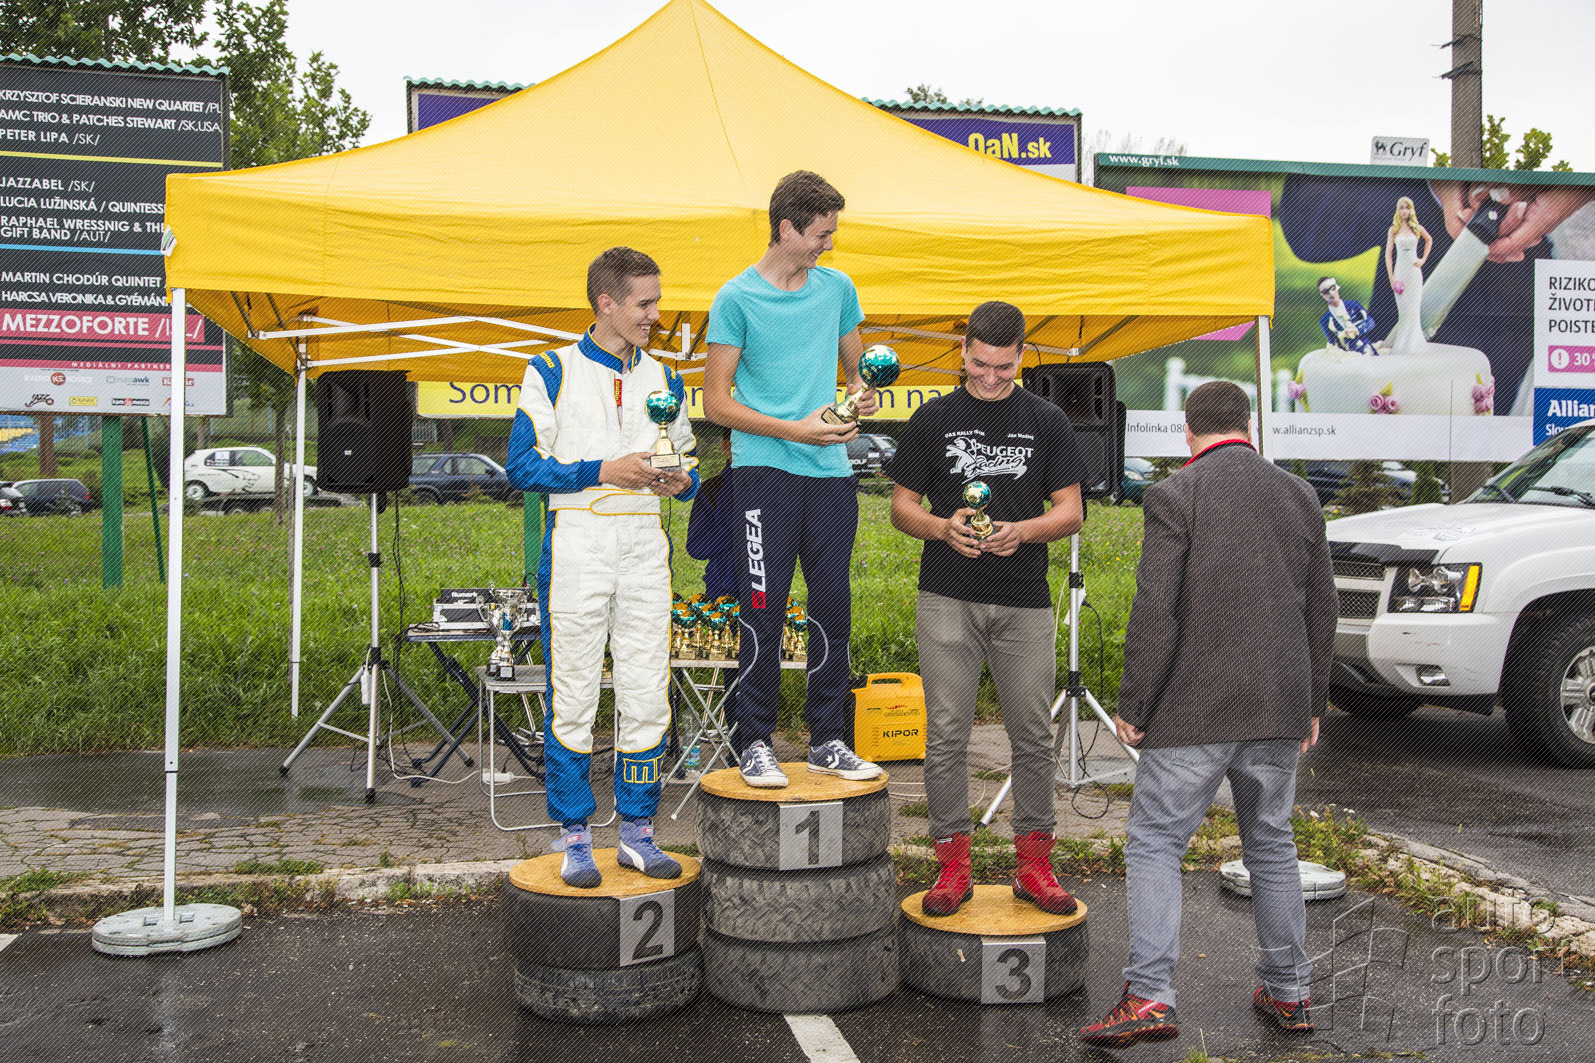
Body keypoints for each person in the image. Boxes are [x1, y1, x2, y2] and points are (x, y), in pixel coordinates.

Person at [1080, 381, 1335, 1049]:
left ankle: (1148, 995)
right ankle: (1289, 992)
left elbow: (1155, 609)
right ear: (1247, 426)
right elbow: (1322, 607)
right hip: (1278, 704)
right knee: (1271, 844)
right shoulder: (1299, 494)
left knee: (1156, 841)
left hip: (1195, 706)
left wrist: (1135, 704)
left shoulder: (1175, 494)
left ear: (1187, 432)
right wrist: (1311, 702)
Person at [505, 247, 699, 888]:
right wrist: (603, 470)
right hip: (578, 543)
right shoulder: (550, 370)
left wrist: (681, 480)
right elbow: (522, 466)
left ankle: (638, 833)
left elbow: (686, 463)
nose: (656, 315)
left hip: (644, 541)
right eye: (645, 303)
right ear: (606, 303)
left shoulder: (666, 378)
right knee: (574, 695)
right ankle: (575, 836)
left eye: (657, 302)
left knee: (647, 690)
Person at [885, 300, 1086, 917]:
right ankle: (952, 865)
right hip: (946, 595)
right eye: (979, 364)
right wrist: (941, 527)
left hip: (1023, 600)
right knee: (946, 734)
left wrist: (1022, 531)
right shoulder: (933, 417)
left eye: (1003, 367)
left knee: (1032, 734)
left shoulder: (1047, 420)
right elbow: (900, 507)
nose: (991, 377)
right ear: (963, 351)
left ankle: (1035, 866)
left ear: (1021, 356)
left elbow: (1071, 511)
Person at [704, 170, 882, 788]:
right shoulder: (735, 298)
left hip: (829, 470)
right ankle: (753, 741)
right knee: (763, 605)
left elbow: (858, 372)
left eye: (832, 234)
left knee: (832, 604)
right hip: (763, 471)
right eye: (820, 234)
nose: (829, 244)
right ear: (786, 228)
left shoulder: (837, 288)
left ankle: (829, 739)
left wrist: (860, 396)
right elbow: (716, 404)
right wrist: (793, 430)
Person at [685, 430, 738, 600]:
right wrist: (738, 527)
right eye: (740, 442)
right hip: (722, 591)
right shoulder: (712, 489)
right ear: (726, 446)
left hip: (764, 588)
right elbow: (696, 547)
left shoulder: (772, 489)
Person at [1383, 195, 1433, 354]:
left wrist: (1423, 259)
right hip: (1400, 272)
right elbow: (1388, 254)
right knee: (1404, 310)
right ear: (1397, 210)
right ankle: (1402, 345)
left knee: (1414, 309)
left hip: (1414, 272)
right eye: (1401, 208)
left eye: (1407, 208)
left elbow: (1429, 239)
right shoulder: (1393, 229)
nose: (1404, 211)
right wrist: (1391, 276)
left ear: (1411, 210)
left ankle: (1414, 345)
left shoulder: (1417, 227)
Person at [1316, 276, 1377, 353]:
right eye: (1326, 292)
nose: (1331, 293)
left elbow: (1370, 322)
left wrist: (1356, 329)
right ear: (1322, 295)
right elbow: (1332, 343)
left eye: (1332, 288)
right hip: (1348, 356)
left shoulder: (1353, 305)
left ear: (1337, 287)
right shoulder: (1325, 320)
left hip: (1367, 349)